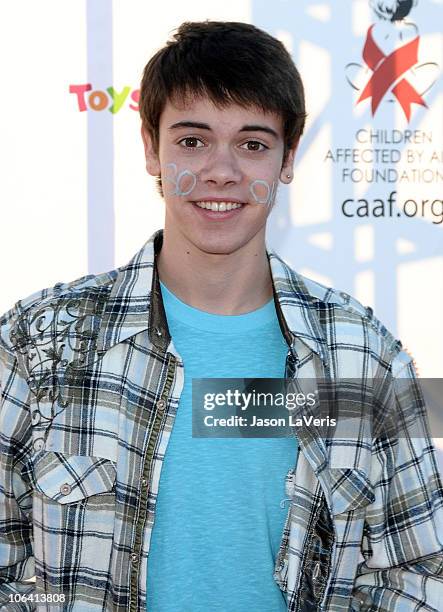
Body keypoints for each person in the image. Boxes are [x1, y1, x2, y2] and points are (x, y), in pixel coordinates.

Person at [1, 20, 442, 612]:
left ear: (288, 159)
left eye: (253, 144)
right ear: (150, 149)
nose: (221, 171)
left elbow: (416, 573)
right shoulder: (43, 342)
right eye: (192, 140)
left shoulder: (360, 354)